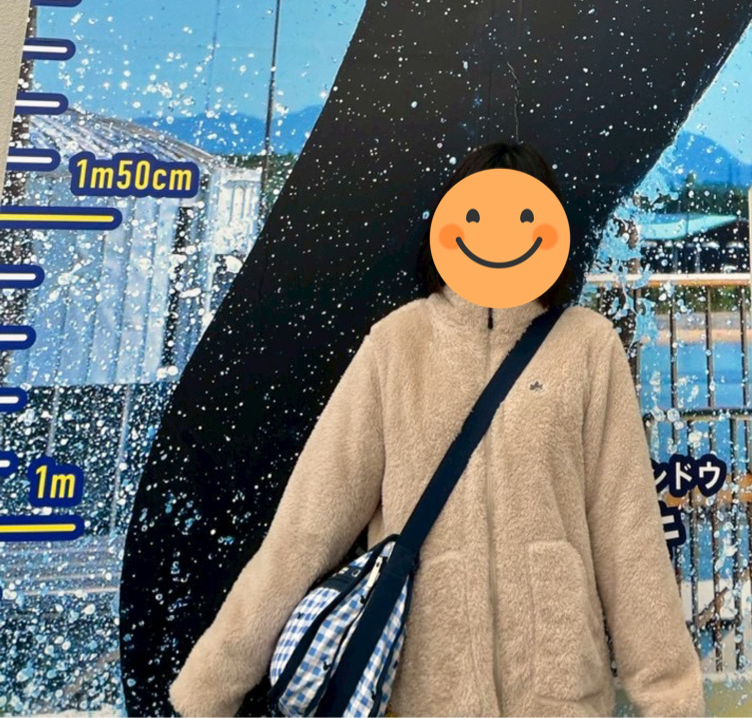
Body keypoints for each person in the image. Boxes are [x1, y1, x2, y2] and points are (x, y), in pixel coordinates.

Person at [169, 141, 705, 717]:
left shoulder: (587, 346)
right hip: (422, 692)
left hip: (560, 692)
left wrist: (672, 702)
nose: (499, 235)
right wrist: (210, 686)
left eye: (523, 215)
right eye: (478, 214)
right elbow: (307, 528)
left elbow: (628, 536)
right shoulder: (397, 345)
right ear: (448, 226)